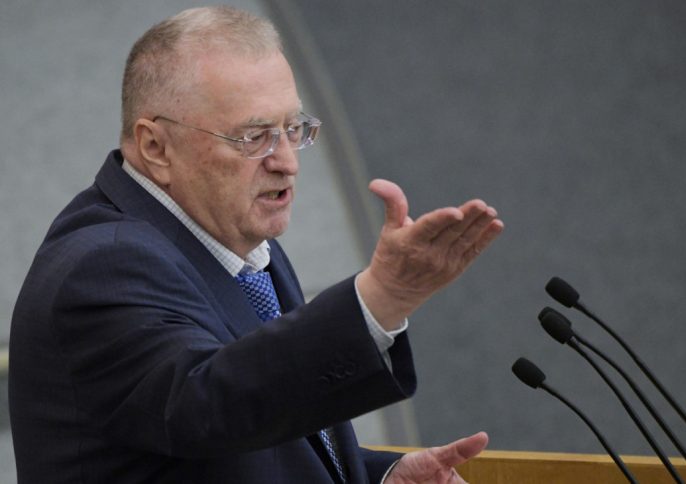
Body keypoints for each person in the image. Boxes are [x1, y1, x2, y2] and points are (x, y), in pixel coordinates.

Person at [9, 6, 503, 483]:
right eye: (254, 137)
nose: (287, 161)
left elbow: (259, 436)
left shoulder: (235, 240)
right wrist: (383, 297)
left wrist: (377, 475)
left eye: (293, 129)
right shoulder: (104, 264)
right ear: (156, 147)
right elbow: (211, 406)